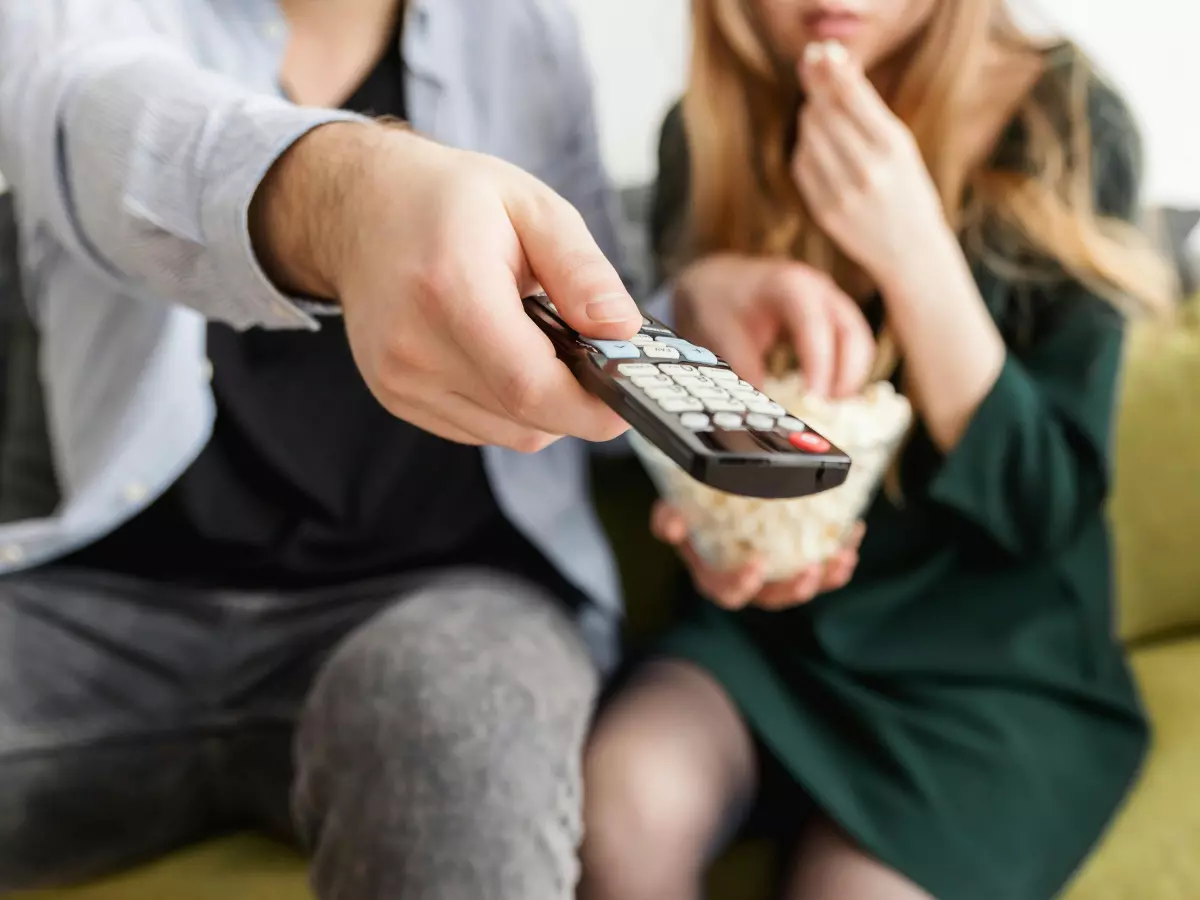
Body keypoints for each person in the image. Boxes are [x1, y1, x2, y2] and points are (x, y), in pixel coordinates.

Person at [0, 1, 757, 897]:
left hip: (449, 601)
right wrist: (352, 200)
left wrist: (688, 304)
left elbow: (590, 286)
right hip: (110, 605)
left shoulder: (521, 26)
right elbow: (99, 118)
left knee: (455, 724)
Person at [580, 2, 1178, 899]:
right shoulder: (704, 133)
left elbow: (1044, 505)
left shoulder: (1066, 120)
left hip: (993, 671)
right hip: (768, 644)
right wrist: (720, 533)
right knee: (618, 803)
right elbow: (708, 470)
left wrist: (915, 252)